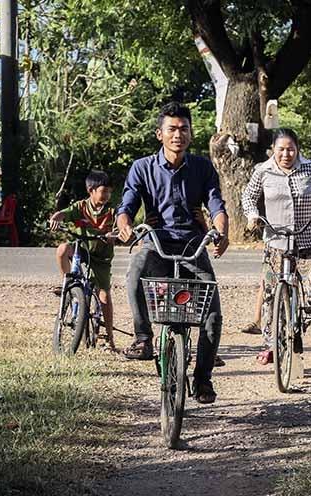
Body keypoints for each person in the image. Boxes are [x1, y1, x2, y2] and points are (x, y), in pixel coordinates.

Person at [116, 101, 229, 404]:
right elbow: (126, 204)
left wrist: (221, 230)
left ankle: (202, 378)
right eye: (172, 129)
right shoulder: (142, 167)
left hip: (194, 245)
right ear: (159, 134)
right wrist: (125, 224)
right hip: (156, 242)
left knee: (213, 315)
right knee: (135, 272)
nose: (178, 134)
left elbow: (216, 204)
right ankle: (143, 338)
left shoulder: (203, 167)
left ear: (191, 134)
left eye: (183, 129)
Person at [241, 128, 311, 364]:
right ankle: (272, 344)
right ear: (273, 150)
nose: (286, 154)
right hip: (276, 241)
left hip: (309, 240)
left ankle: (305, 325)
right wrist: (253, 215)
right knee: (270, 295)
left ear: (298, 149)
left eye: (291, 149)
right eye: (281, 149)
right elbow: (248, 197)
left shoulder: (310, 168)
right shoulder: (263, 171)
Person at [49, 170, 117, 351]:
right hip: (81, 248)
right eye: (103, 191)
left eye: (109, 191)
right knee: (62, 249)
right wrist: (56, 218)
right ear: (91, 190)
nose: (107, 195)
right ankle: (68, 285)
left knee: (104, 295)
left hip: (101, 256)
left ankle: (109, 337)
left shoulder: (112, 212)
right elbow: (64, 214)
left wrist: (113, 236)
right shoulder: (80, 207)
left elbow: (120, 231)